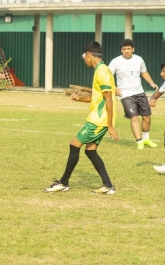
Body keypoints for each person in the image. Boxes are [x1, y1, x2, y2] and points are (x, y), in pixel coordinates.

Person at [44, 41, 118, 195]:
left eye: (84, 56)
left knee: (74, 145)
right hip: (100, 118)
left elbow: (109, 99)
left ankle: (63, 182)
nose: (84, 60)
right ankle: (108, 185)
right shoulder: (101, 70)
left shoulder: (102, 72)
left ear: (89, 55)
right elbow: (97, 97)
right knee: (90, 151)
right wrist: (79, 98)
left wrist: (111, 126)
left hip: (98, 120)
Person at [108, 39, 159, 150]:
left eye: (128, 49)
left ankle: (146, 139)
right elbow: (107, 76)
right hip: (125, 93)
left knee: (147, 116)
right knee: (134, 117)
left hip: (139, 91)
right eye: (124, 49)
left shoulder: (139, 59)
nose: (126, 51)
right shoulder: (115, 62)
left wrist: (151, 83)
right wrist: (114, 88)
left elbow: (143, 72)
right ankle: (139, 142)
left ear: (133, 49)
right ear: (121, 50)